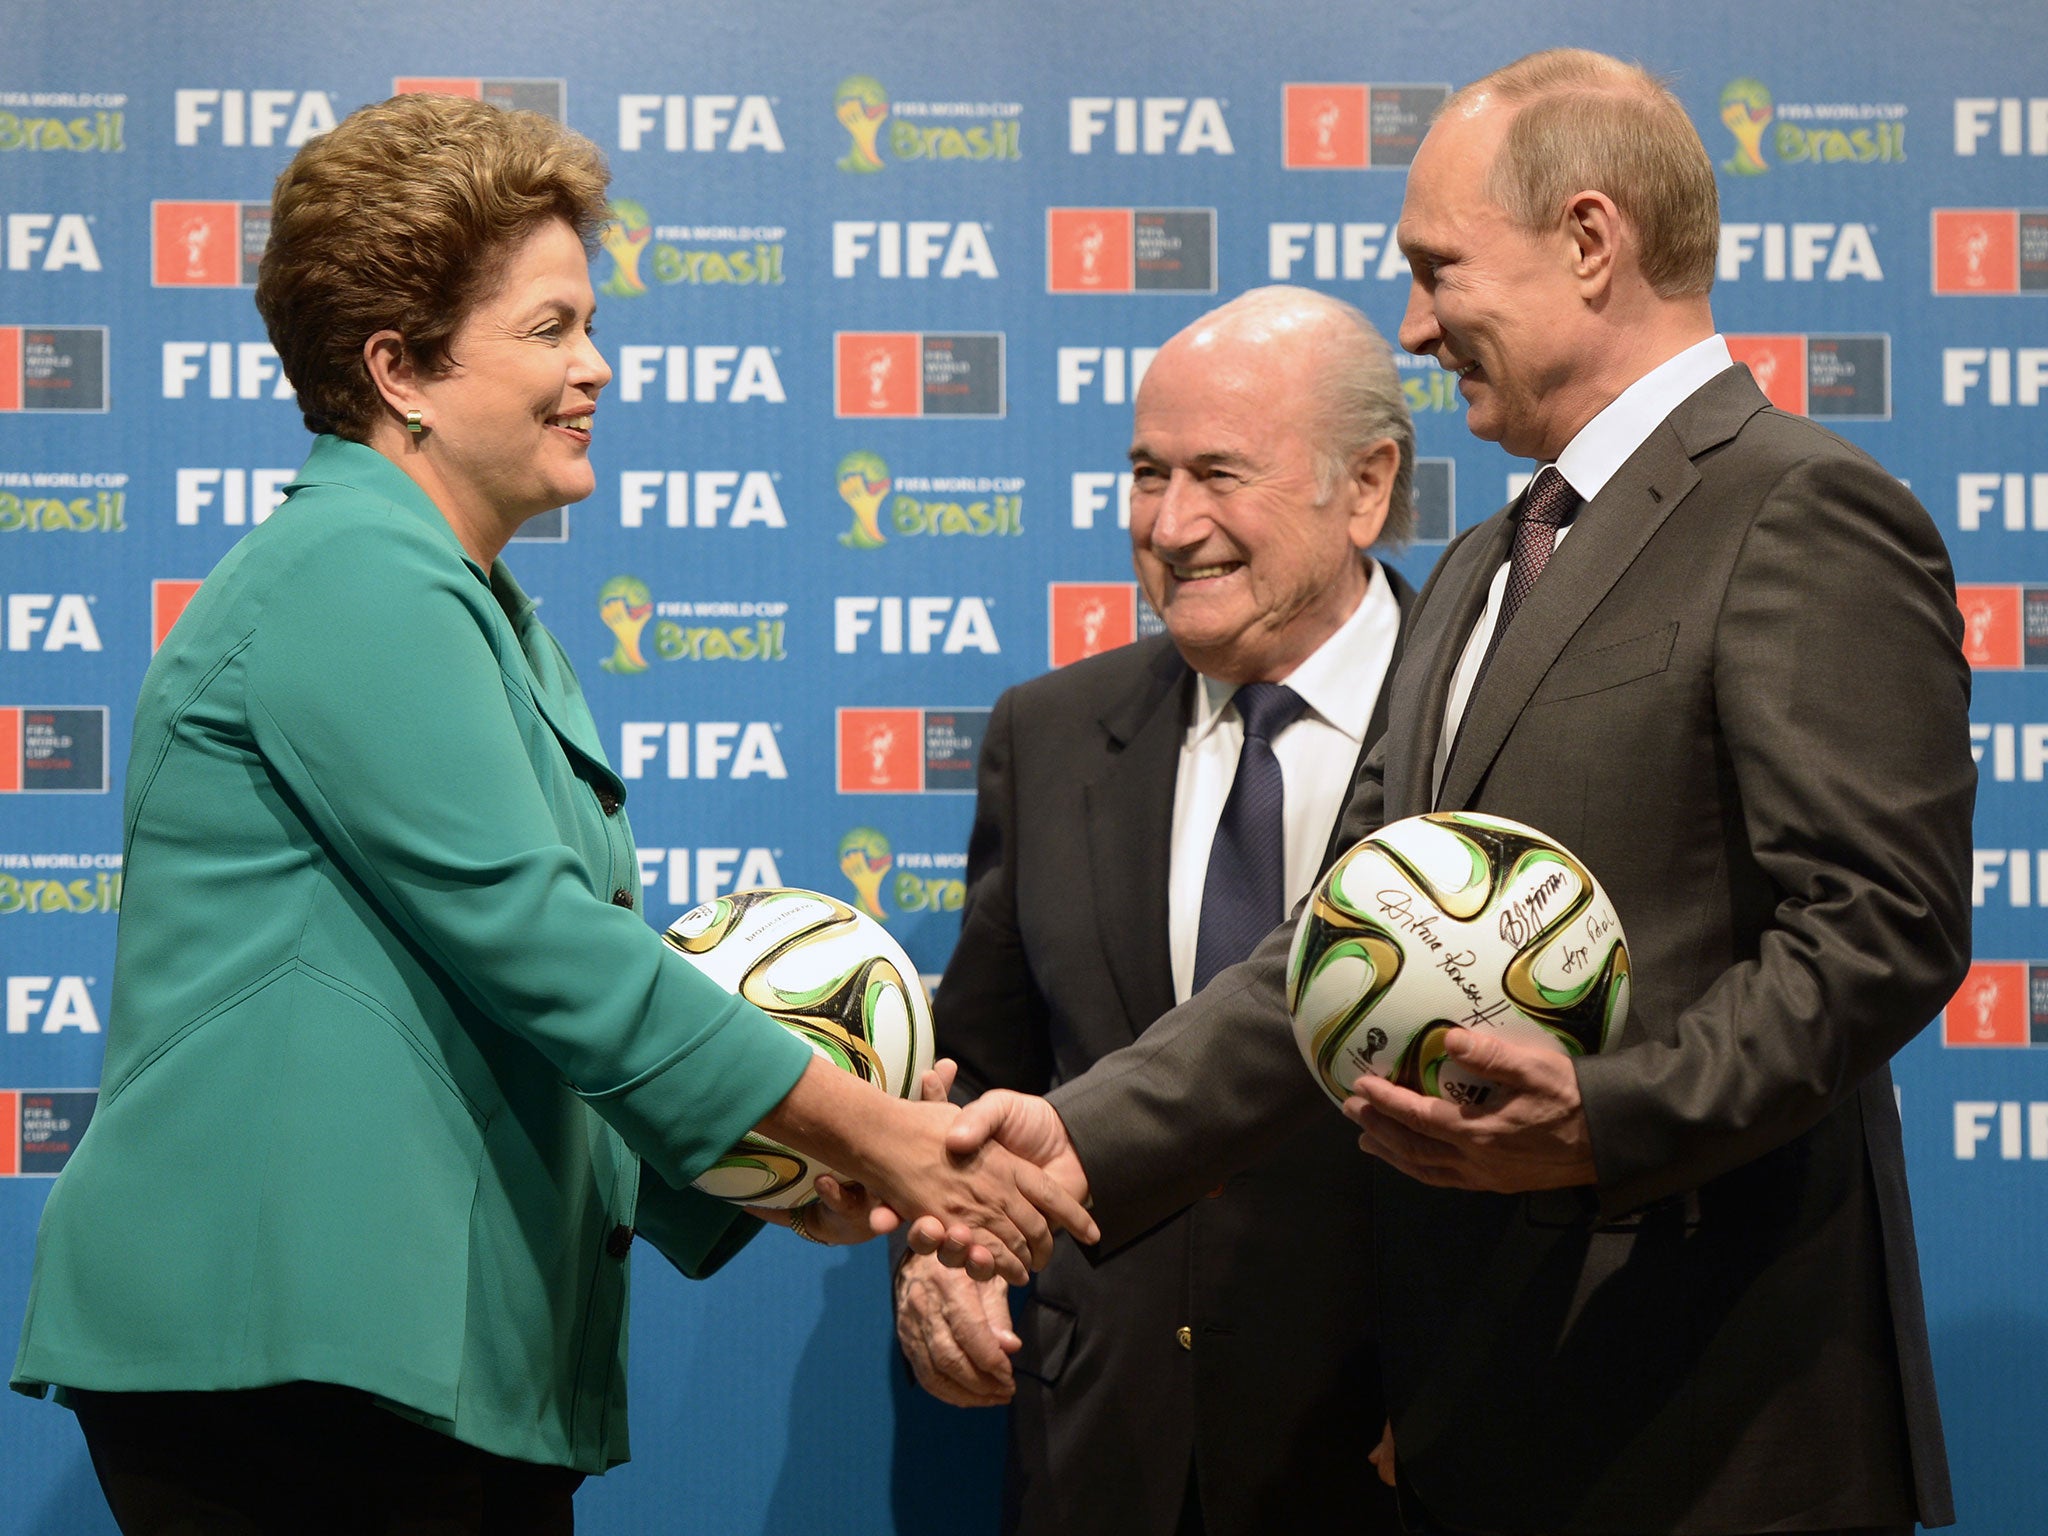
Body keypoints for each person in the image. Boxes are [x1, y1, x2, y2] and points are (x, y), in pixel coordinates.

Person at [9, 93, 1091, 1534]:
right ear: (400, 367)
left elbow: (516, 1013)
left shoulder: (463, 604)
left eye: (588, 325)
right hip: (304, 1365)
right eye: (548, 329)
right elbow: (547, 953)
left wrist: (782, 1174)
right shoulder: (353, 577)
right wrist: (870, 1130)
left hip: (402, 1362)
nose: (596, 368)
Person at [928, 49, 1971, 1536]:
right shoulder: (1487, 565)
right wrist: (1081, 1137)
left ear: (1592, 242)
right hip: (1493, 1423)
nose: (1415, 327)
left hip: (1720, 1427)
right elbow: (1333, 942)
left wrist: (1606, 1117)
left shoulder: (1799, 507)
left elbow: (1879, 934)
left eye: (1438, 271)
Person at [893, 287, 1414, 1536]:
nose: (1170, 526)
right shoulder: (1051, 731)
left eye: (1218, 475)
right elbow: (989, 1070)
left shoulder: (1481, 721)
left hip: (1410, 1445)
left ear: (1365, 487)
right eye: (1144, 473)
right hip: (1107, 1449)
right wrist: (939, 1243)